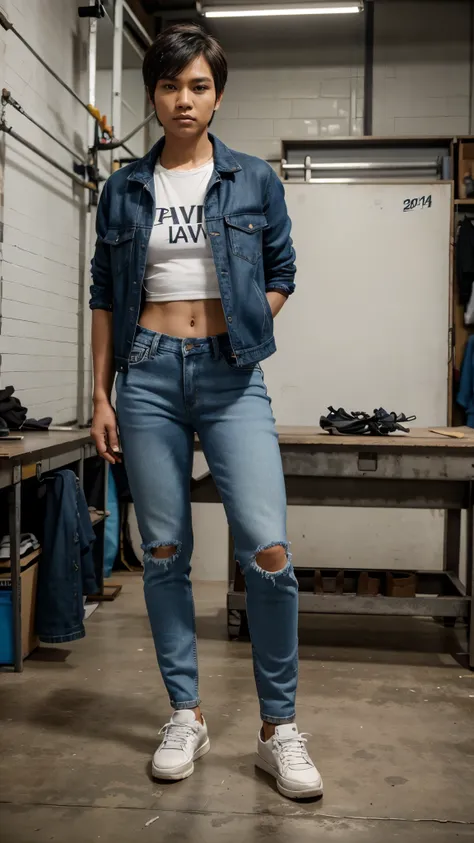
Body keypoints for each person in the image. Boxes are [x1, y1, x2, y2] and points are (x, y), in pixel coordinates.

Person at [89, 23, 322, 801]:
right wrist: (100, 393)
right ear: (152, 95)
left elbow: (283, 266)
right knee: (162, 553)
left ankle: (278, 728)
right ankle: (184, 711)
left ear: (217, 95)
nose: (182, 99)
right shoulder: (122, 188)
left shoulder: (253, 180)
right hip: (148, 375)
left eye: (197, 86)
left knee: (269, 551)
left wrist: (251, 322)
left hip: (230, 375)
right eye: (168, 85)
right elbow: (101, 294)